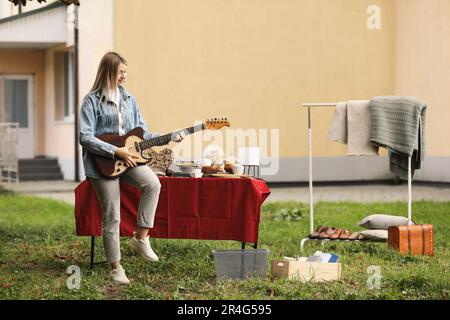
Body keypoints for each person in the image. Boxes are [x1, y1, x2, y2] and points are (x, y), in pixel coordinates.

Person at [79, 52, 185, 284]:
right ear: (108, 72)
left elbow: (141, 133)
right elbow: (85, 137)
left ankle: (140, 237)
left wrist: (168, 137)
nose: (125, 76)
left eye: (126, 72)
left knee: (152, 184)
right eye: (121, 72)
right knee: (112, 216)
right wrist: (115, 151)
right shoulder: (91, 101)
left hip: (128, 161)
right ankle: (116, 267)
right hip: (101, 165)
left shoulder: (129, 99)